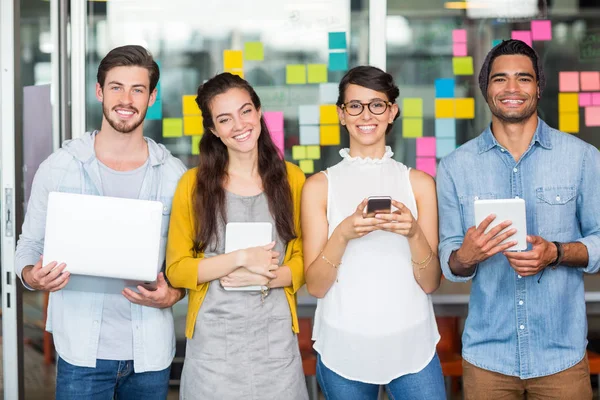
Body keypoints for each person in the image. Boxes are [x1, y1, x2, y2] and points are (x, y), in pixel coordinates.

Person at [14, 45, 186, 399]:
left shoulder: (174, 175)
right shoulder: (59, 166)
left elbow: (187, 259)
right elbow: (28, 246)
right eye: (116, 87)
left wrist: (176, 293)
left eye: (138, 89)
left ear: (152, 97)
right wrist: (32, 275)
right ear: (99, 92)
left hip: (149, 355)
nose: (126, 99)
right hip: (81, 354)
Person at [437, 39, 600, 399]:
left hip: (561, 356)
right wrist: (466, 255)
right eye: (500, 79)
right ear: (486, 89)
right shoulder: (453, 168)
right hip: (487, 358)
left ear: (538, 88)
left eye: (523, 78)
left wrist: (556, 252)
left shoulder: (583, 158)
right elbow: (450, 256)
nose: (512, 89)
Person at [301, 65, 445, 400]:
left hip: (413, 344)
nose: (366, 114)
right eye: (355, 105)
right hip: (343, 345)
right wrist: (343, 233)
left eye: (377, 104)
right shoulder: (319, 187)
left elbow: (431, 282)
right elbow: (317, 286)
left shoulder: (420, 184)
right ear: (342, 114)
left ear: (392, 111)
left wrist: (413, 233)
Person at [165, 72, 308, 399]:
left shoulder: (293, 180)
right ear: (213, 130)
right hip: (213, 351)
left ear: (259, 112)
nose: (239, 125)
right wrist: (239, 260)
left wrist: (265, 278)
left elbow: (305, 262)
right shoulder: (193, 185)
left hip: (275, 348)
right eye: (224, 119)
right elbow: (177, 269)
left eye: (245, 111)